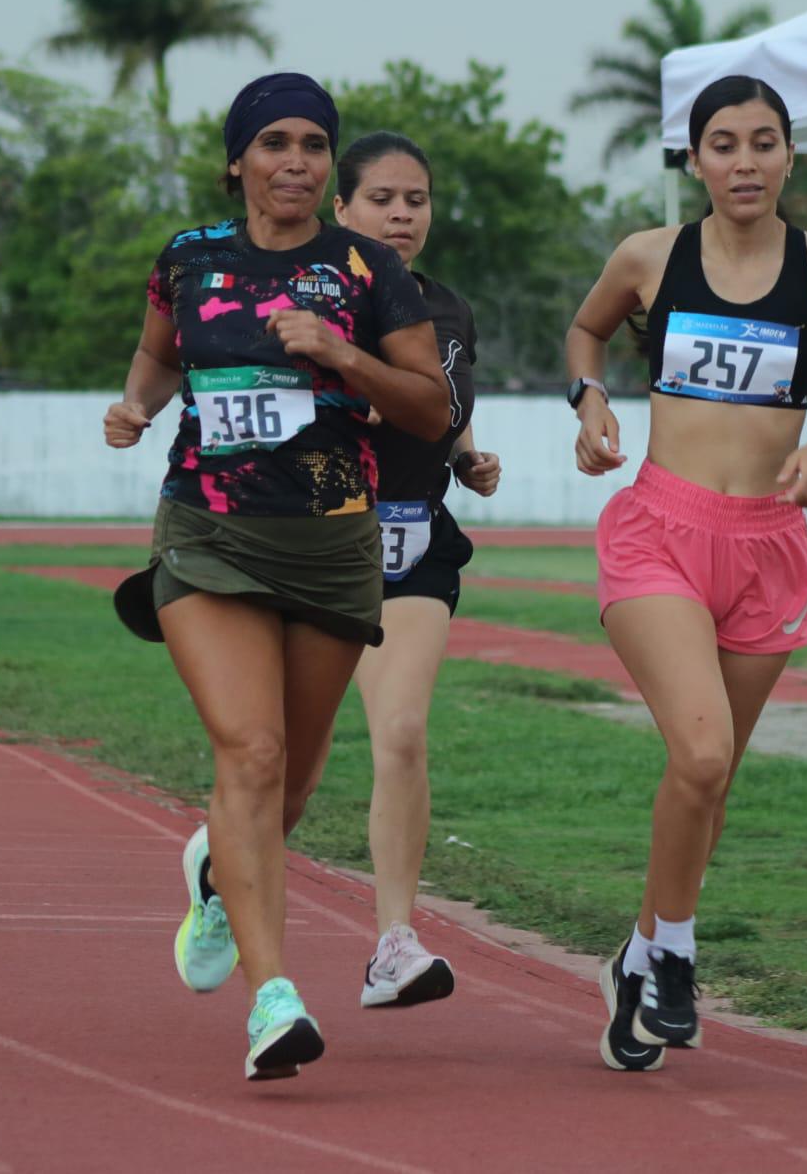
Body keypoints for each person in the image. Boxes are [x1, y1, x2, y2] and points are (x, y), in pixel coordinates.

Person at [102, 73, 449, 1081]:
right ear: (238, 160)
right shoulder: (189, 259)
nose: (294, 161)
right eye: (274, 144)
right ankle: (273, 997)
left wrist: (342, 353)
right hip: (208, 534)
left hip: (331, 542)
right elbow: (160, 358)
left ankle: (216, 877)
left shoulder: (365, 267)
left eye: (312, 145)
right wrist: (134, 405)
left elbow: (429, 407)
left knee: (290, 778)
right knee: (248, 752)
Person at [564, 76, 807, 1071]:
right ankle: (674, 954)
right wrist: (590, 401)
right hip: (659, 530)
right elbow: (586, 332)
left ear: (790, 155)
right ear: (695, 160)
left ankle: (637, 952)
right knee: (700, 754)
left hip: (765, 546)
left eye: (761, 141)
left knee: (713, 781)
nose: (742, 160)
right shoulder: (649, 256)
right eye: (722, 143)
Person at [331, 131, 501, 1007]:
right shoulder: (309, 302)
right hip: (315, 545)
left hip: (414, 542)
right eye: (383, 200)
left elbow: (448, 404)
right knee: (274, 754)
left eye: (417, 200)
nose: (402, 214)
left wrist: (467, 454)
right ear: (342, 210)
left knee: (400, 732)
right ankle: (220, 864)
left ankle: (393, 942)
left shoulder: (450, 310)